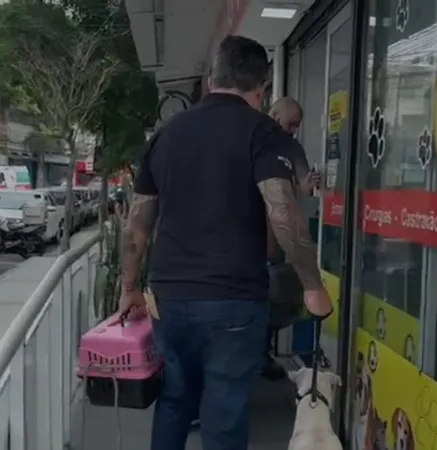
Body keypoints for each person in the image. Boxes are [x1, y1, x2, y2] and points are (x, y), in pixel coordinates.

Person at [116, 35, 333, 450]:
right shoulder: (264, 133)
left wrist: (129, 288)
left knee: (176, 400)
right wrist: (312, 285)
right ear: (261, 88)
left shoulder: (167, 134)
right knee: (224, 410)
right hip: (232, 300)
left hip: (170, 299)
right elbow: (284, 213)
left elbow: (137, 225)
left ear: (211, 78)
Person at [260, 96, 320, 380]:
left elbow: (305, 186)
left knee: (272, 298)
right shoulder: (254, 136)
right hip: (248, 234)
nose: (293, 130)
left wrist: (311, 183)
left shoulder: (292, 147)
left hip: (275, 238)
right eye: (290, 124)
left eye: (297, 126)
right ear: (273, 114)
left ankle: (261, 356)